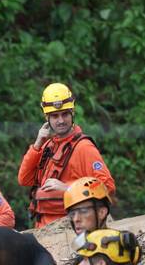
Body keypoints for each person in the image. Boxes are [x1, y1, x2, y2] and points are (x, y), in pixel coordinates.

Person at [18, 83, 115, 228]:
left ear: (72, 113)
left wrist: (68, 188)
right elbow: (24, 179)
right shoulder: (47, 146)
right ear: (47, 118)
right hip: (43, 227)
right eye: (55, 116)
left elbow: (107, 186)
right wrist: (37, 145)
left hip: (71, 227)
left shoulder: (84, 147)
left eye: (65, 114)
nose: (61, 120)